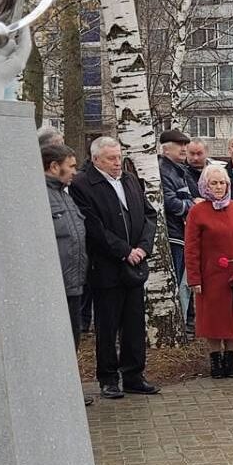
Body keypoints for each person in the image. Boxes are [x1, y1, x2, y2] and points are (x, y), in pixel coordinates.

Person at [69, 137, 162, 399]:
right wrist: (124, 251)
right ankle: (108, 377)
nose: (117, 163)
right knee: (108, 325)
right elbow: (93, 227)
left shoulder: (129, 180)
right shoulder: (83, 184)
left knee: (134, 324)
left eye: (119, 157)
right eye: (111, 158)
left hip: (135, 265)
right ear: (96, 159)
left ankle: (134, 374)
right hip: (106, 267)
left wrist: (143, 247)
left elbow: (149, 215)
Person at [185, 165, 233, 378]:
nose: (218, 187)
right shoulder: (197, 211)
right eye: (213, 183)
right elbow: (191, 248)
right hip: (210, 276)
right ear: (205, 185)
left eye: (222, 183)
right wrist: (194, 278)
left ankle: (230, 360)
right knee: (213, 320)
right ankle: (215, 361)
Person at [43, 144, 92, 405]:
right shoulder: (40, 196)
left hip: (74, 284)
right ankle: (59, 393)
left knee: (73, 339)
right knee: (58, 343)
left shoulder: (65, 194)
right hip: (54, 286)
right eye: (71, 166)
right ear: (54, 166)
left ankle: (69, 390)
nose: (75, 172)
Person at [159, 128, 199, 325]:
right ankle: (177, 324)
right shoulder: (163, 171)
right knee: (177, 283)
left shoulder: (180, 171)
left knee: (185, 282)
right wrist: (193, 206)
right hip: (173, 234)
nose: (184, 149)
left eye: (185, 144)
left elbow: (192, 196)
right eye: (179, 145)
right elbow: (170, 202)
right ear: (166, 149)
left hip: (182, 233)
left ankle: (183, 321)